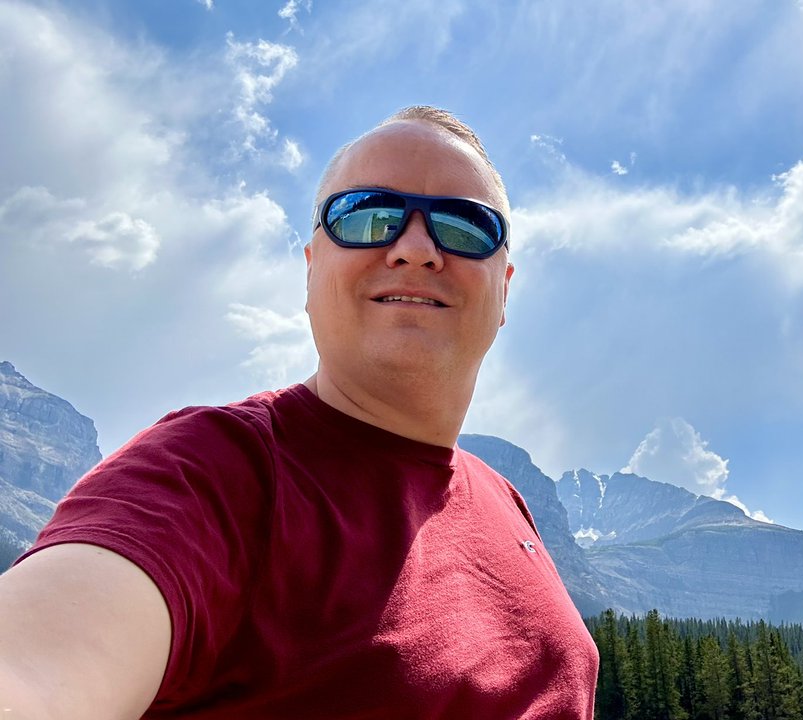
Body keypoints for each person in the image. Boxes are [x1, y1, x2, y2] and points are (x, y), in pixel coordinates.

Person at [0, 107, 600, 719]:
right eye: (368, 216)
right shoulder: (211, 469)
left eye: (467, 226)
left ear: (505, 289)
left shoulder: (506, 499)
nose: (415, 249)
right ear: (311, 271)